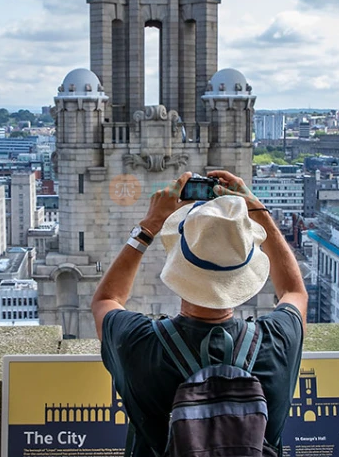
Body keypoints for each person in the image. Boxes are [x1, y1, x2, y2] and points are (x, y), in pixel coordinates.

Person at [92, 170, 308, 457]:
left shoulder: (139, 343)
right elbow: (294, 292)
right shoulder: (278, 341)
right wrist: (258, 213)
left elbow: (106, 299)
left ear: (180, 264)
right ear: (244, 269)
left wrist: (149, 226)